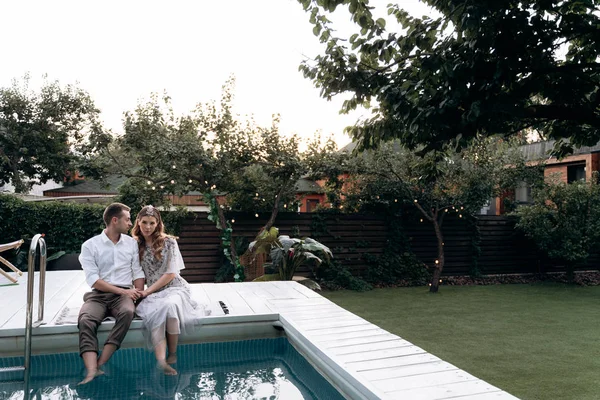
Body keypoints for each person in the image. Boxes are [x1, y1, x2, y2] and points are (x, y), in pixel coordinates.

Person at [132, 205, 209, 375]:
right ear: (138, 222)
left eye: (152, 223)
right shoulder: (135, 244)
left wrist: (146, 292)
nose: (148, 227)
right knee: (156, 312)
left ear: (158, 223)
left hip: (174, 288)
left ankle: (173, 354)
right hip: (152, 292)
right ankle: (161, 361)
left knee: (169, 307)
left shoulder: (169, 242)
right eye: (144, 222)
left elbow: (171, 273)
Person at [77, 202, 145, 384]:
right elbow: (94, 280)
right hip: (98, 295)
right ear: (115, 220)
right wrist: (124, 292)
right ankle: (91, 372)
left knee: (128, 312)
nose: (131, 224)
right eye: (128, 219)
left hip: (124, 296)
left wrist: (138, 294)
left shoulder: (131, 244)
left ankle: (99, 363)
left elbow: (137, 271)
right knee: (85, 320)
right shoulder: (90, 246)